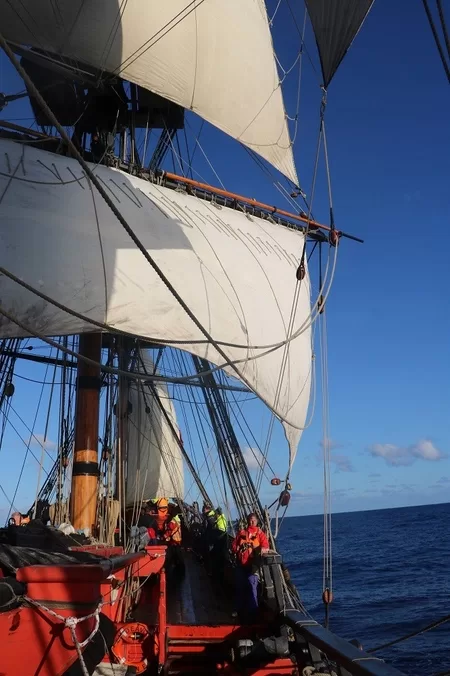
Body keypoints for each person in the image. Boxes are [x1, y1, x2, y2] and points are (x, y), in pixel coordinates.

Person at [232, 513, 269, 619]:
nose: (252, 522)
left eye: (253, 520)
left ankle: (254, 612)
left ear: (257, 521)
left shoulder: (260, 533)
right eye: (250, 520)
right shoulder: (242, 532)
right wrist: (238, 547)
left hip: (253, 565)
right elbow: (234, 545)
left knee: (253, 587)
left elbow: (266, 545)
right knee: (239, 587)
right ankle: (238, 609)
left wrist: (259, 549)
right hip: (241, 564)